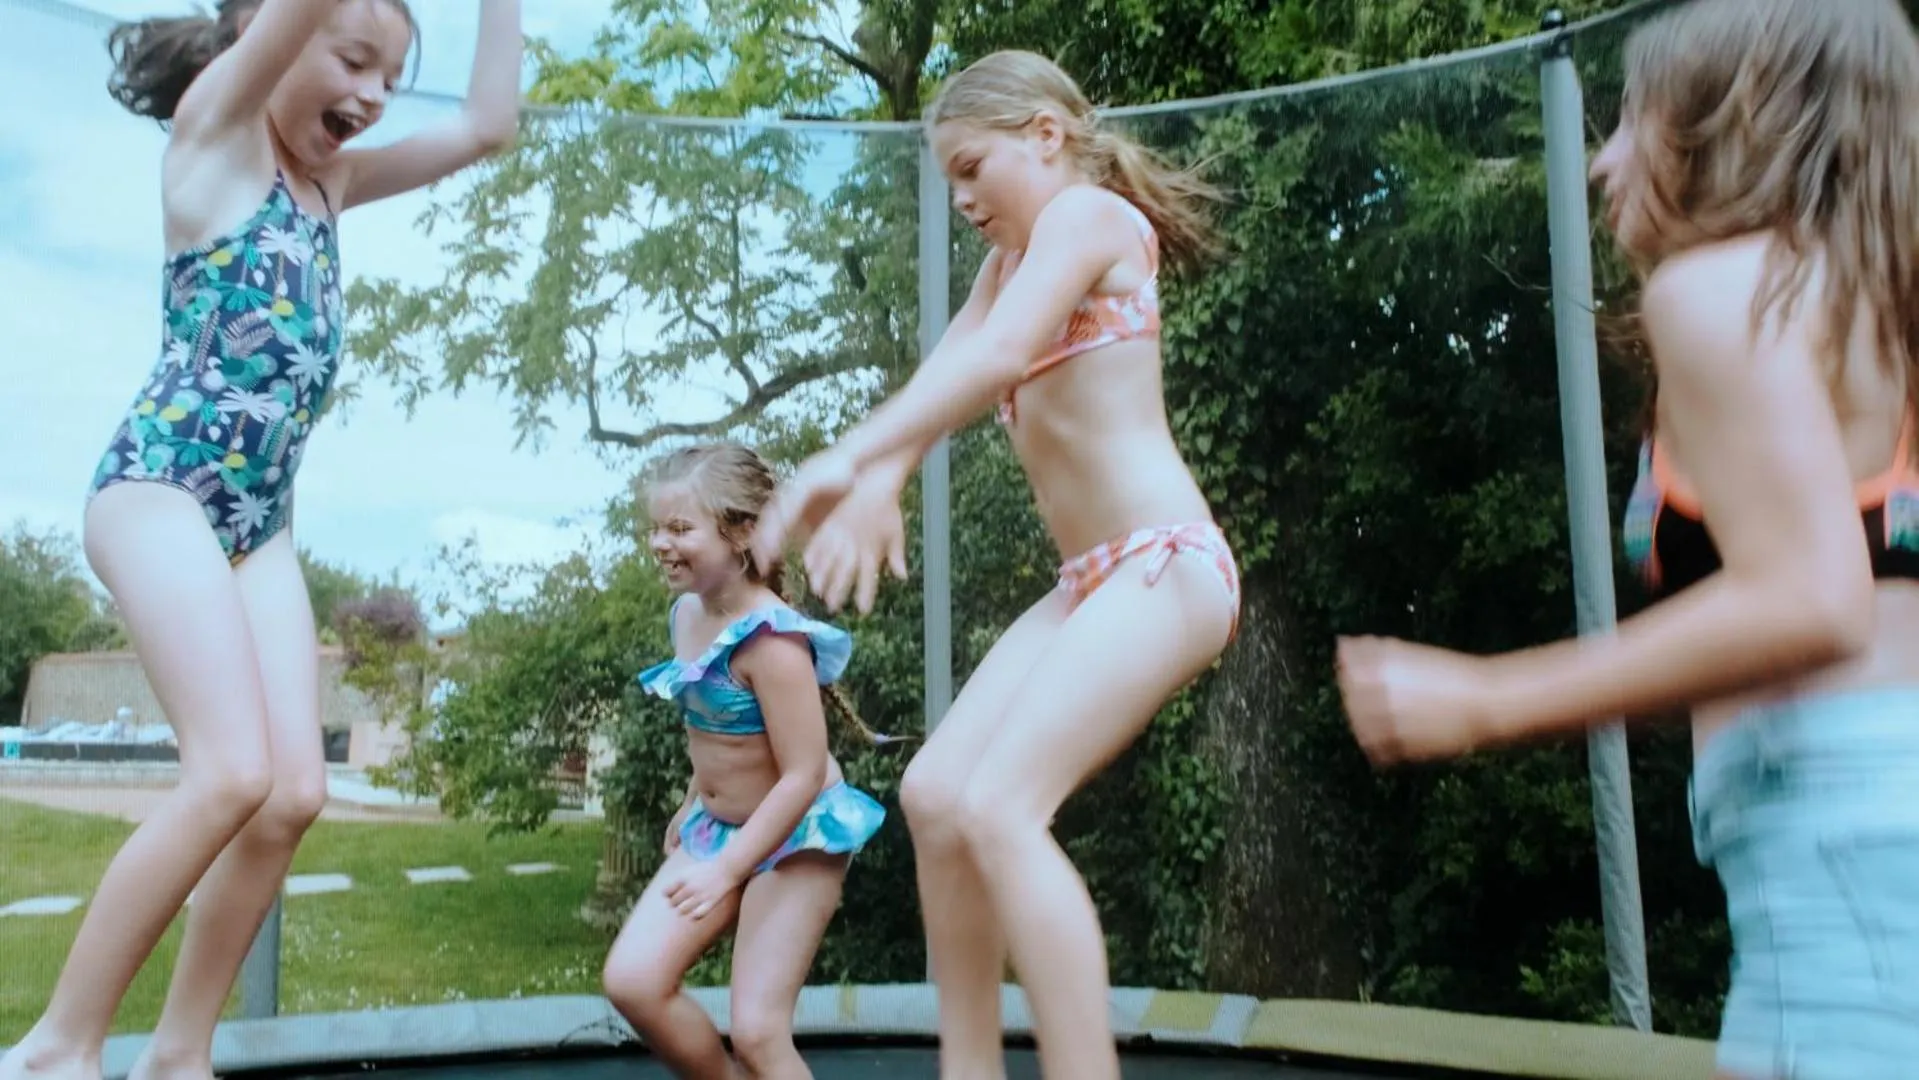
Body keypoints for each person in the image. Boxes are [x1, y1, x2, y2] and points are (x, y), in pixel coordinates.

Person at [1335, 2, 1919, 1077]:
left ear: (1732, 120)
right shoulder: (1875, 307)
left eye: (1632, 122)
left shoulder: (1713, 290)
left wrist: (1482, 700)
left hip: (1844, 851)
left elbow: (1811, 596)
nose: (1602, 161)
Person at [0, 4, 522, 1080]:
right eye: (353, 60)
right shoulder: (216, 134)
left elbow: (483, 126)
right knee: (231, 772)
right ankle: (59, 1047)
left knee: (290, 794)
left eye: (392, 74)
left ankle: (180, 1051)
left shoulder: (329, 186)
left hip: (259, 528)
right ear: (274, 42)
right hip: (161, 489)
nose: (377, 93)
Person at [751, 50, 1239, 1080]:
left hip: (1166, 562)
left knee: (1001, 806)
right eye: (947, 181)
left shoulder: (1086, 217)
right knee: (935, 795)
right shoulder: (1005, 265)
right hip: (1089, 584)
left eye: (971, 168)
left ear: (1044, 137)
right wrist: (880, 478)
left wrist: (846, 460)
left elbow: (1002, 357)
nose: (961, 197)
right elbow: (949, 372)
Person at [605, 442, 889, 1080]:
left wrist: (726, 871)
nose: (660, 542)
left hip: (796, 831)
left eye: (680, 528)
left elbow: (803, 774)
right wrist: (692, 802)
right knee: (633, 981)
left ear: (740, 535)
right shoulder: (686, 615)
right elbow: (712, 728)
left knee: (759, 1033)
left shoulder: (773, 642)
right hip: (720, 828)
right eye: (657, 526)